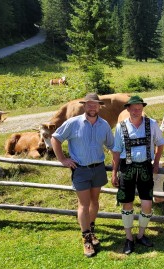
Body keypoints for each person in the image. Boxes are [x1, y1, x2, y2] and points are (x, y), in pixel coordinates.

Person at [51, 93, 114, 257]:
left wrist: (117, 161)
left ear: (99, 106)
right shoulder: (73, 123)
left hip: (98, 167)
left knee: (95, 202)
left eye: (95, 104)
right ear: (84, 106)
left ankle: (91, 231)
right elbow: (55, 138)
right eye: (89, 104)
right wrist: (63, 159)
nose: (92, 107)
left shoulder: (104, 125)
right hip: (81, 169)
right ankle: (86, 239)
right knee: (83, 204)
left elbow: (112, 144)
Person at [111, 95, 164, 254]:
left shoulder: (152, 124)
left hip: (146, 168)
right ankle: (129, 238)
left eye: (139, 108)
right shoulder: (121, 126)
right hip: (126, 168)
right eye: (133, 109)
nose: (136, 111)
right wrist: (114, 172)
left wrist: (156, 162)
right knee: (126, 203)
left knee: (147, 205)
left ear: (143, 109)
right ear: (127, 109)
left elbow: (160, 144)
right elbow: (116, 151)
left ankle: (141, 235)